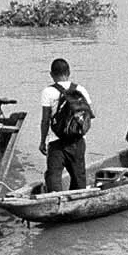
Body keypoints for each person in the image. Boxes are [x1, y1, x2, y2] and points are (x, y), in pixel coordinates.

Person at [38, 58, 94, 193]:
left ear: (51, 74)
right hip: (77, 140)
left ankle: (55, 200)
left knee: (54, 176)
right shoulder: (81, 89)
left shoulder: (48, 92)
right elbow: (88, 116)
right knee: (78, 176)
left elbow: (45, 120)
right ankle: (78, 201)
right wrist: (79, 133)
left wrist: (42, 141)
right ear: (69, 72)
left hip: (56, 141)